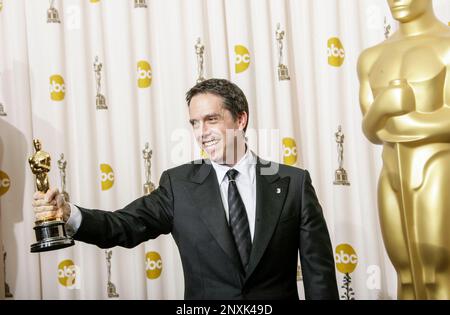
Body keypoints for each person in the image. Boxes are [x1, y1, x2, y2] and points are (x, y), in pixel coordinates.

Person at [32, 78, 338, 300]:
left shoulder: (293, 183)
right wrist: (69, 215)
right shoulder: (179, 185)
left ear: (240, 119)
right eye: (194, 123)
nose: (202, 132)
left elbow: (319, 275)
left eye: (211, 120)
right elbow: (123, 226)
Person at [357, 0, 450, 299]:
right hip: (392, 172)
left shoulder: (446, 47)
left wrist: (399, 122)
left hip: (438, 167)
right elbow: (371, 129)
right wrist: (383, 107)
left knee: (438, 271)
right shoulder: (371, 57)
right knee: (406, 273)